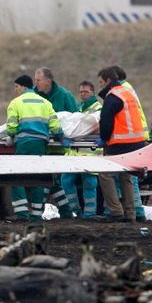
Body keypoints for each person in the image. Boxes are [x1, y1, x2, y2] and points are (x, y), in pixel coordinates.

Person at [6, 75, 64, 222]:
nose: (15, 90)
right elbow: (55, 125)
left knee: (17, 178)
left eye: (16, 87)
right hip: (41, 145)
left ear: (23, 87)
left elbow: (11, 127)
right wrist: (61, 136)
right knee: (38, 178)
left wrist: (11, 135)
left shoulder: (15, 103)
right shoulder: (45, 102)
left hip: (24, 143)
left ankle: (22, 214)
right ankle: (36, 214)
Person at [94, 67, 146, 222]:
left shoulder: (112, 96)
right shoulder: (127, 92)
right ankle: (130, 214)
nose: (100, 86)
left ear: (108, 80)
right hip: (137, 142)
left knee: (105, 175)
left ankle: (116, 212)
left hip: (120, 143)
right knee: (126, 177)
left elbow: (106, 121)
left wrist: (104, 139)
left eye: (101, 82)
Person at [33, 67, 77, 218]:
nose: (36, 83)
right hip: (41, 143)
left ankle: (37, 212)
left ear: (48, 81)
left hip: (58, 146)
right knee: (51, 179)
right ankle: (65, 212)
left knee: (49, 178)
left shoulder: (65, 96)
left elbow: (74, 119)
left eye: (38, 80)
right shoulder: (34, 95)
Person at [112, 65, 148, 222]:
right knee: (129, 177)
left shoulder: (122, 90)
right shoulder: (128, 88)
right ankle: (136, 210)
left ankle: (137, 211)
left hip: (131, 136)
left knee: (129, 177)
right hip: (137, 134)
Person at [60, 80, 101, 218]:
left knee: (89, 183)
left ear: (93, 92)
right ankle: (75, 211)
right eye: (81, 92)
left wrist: (78, 133)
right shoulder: (79, 107)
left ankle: (90, 213)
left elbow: (97, 126)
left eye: (86, 92)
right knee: (66, 181)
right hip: (75, 152)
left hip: (90, 152)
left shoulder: (97, 108)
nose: (83, 94)